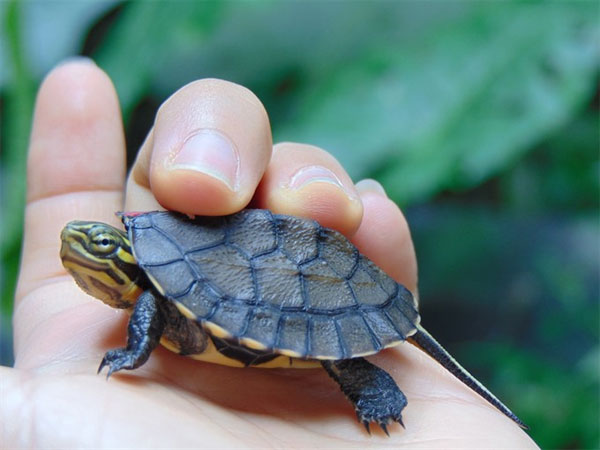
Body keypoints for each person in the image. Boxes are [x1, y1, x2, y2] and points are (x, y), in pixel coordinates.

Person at [2, 59, 537, 448]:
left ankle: (368, 380)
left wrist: (131, 353)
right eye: (89, 247)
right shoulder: (139, 304)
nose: (81, 247)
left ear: (126, 256)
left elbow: (154, 302)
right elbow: (154, 299)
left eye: (98, 245)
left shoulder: (153, 293)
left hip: (320, 309)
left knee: (321, 313)